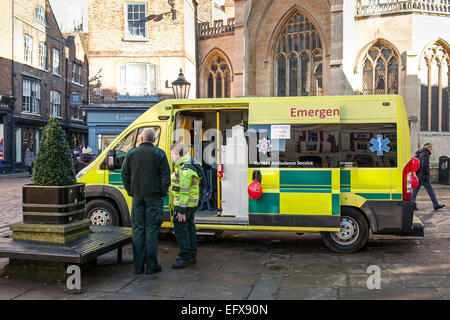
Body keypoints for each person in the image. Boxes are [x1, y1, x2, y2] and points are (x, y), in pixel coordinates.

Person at [121, 128, 170, 274]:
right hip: (154, 198)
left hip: (137, 197)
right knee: (152, 230)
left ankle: (138, 266)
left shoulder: (131, 153)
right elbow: (165, 177)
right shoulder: (159, 154)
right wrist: (162, 193)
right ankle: (151, 266)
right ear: (154, 140)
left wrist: (131, 191)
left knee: (138, 230)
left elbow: (125, 174)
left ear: (141, 139)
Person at [170, 142, 205, 269]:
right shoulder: (192, 163)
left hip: (183, 205)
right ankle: (191, 255)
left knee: (180, 230)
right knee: (190, 228)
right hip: (192, 203)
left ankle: (185, 256)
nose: (172, 157)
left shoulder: (185, 169)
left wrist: (181, 210)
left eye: (173, 154)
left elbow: (185, 190)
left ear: (178, 154)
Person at [412, 142, 445, 211]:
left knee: (415, 190)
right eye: (430, 147)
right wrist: (425, 174)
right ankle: (436, 205)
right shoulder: (425, 153)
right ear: (427, 147)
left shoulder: (420, 153)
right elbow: (423, 165)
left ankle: (412, 204)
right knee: (430, 190)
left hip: (419, 175)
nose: (431, 148)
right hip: (423, 175)